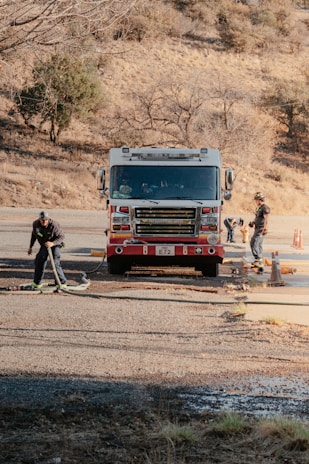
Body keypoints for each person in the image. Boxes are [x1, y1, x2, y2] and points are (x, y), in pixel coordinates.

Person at [27, 211, 67, 288]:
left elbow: (61, 236)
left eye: (45, 220)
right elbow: (34, 235)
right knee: (39, 261)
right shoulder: (35, 224)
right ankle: (37, 282)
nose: (44, 221)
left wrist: (52, 243)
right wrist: (30, 247)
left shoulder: (54, 225)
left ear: (48, 219)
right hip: (44, 244)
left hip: (55, 244)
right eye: (42, 220)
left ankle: (61, 282)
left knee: (55, 263)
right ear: (39, 219)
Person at [249, 192, 270, 267]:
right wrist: (253, 222)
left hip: (261, 229)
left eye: (256, 200)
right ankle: (258, 259)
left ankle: (258, 259)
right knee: (258, 244)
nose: (255, 201)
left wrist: (265, 229)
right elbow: (257, 217)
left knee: (254, 242)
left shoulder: (265, 208)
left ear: (260, 199)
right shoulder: (259, 208)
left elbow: (266, 219)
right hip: (257, 228)